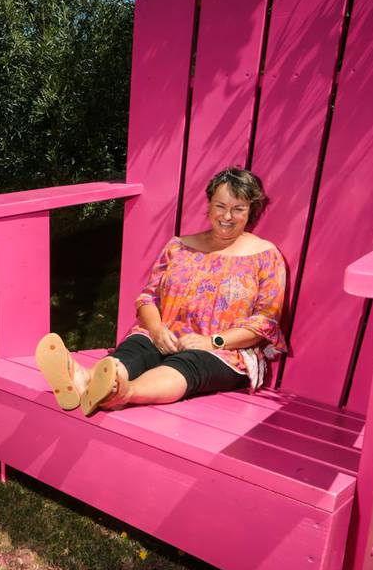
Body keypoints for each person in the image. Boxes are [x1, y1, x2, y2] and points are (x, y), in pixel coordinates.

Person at [36, 167, 287, 416]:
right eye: (220, 206)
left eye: (238, 209)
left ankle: (123, 393)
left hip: (225, 352)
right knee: (138, 347)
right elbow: (148, 297)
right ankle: (83, 379)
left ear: (251, 210)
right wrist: (156, 330)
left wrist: (212, 341)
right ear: (209, 204)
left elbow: (264, 322)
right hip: (166, 336)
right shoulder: (179, 247)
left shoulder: (265, 255)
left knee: (189, 363)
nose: (227, 216)